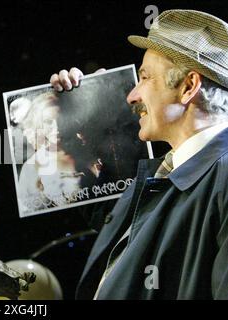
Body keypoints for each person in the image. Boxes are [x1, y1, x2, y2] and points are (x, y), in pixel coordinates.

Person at [50, 9, 228, 299]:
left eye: (145, 78)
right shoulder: (172, 171)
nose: (132, 95)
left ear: (188, 87)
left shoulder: (221, 179)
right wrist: (87, 113)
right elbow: (127, 231)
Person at [16, 92, 84, 214]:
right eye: (48, 121)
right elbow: (27, 211)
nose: (57, 128)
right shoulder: (31, 167)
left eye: (61, 120)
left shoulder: (85, 152)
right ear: (39, 124)